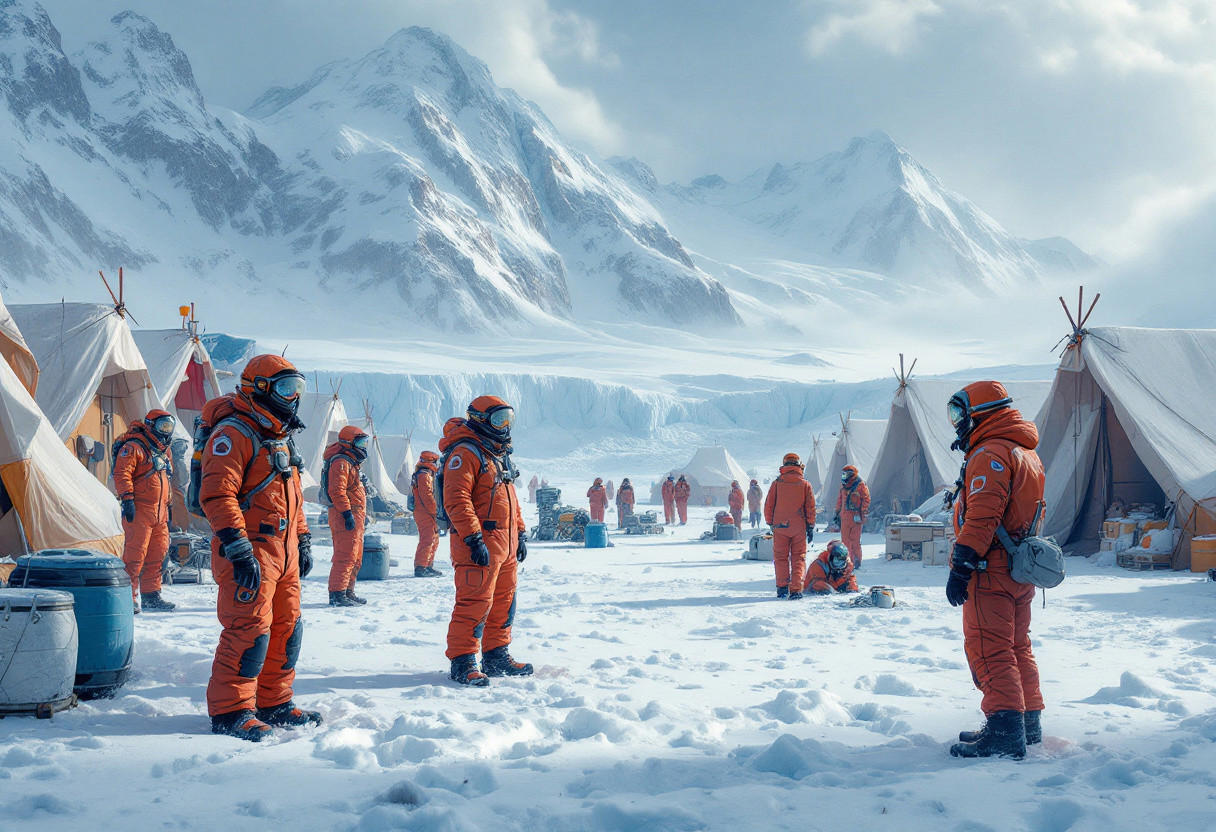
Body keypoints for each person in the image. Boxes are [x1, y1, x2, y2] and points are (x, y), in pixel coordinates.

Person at [199, 354, 319, 741]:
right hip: (250, 551)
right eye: (286, 388)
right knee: (249, 631)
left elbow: (293, 496)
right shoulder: (233, 433)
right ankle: (232, 711)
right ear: (260, 388)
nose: (293, 397)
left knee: (287, 630)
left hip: (281, 553)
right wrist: (237, 545)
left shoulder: (279, 435)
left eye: (297, 388)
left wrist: (301, 539)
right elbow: (217, 493)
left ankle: (275, 702)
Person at [945, 381, 1045, 760]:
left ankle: (1005, 729)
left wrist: (962, 563)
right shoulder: (1025, 452)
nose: (957, 423)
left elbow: (983, 516)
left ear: (980, 413)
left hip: (991, 569)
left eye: (959, 414)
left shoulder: (991, 454)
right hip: (1018, 568)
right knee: (1017, 646)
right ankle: (1027, 722)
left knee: (990, 648)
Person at [442, 396, 531, 686]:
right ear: (480, 420)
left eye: (509, 419)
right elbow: (456, 498)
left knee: (504, 602)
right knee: (473, 603)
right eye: (498, 420)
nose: (505, 426)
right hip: (477, 544)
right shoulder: (466, 453)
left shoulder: (496, 455)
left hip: (504, 544)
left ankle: (496, 655)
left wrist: (520, 532)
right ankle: (463, 661)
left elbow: (511, 499)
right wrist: (472, 537)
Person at [113, 408, 178, 613]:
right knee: (135, 556)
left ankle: (151, 595)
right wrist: (128, 499)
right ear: (150, 426)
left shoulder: (164, 451)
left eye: (169, 426)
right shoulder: (134, 447)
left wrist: (169, 505)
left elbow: (167, 479)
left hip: (160, 512)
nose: (166, 431)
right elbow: (122, 473)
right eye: (162, 426)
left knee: (158, 555)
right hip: (140, 509)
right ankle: (128, 598)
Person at [324, 426, 370, 607]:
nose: (363, 446)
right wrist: (346, 513)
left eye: (364, 442)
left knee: (355, 556)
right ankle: (337, 593)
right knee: (345, 555)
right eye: (359, 442)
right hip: (344, 515)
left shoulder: (351, 462)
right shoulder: (341, 462)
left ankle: (348, 591)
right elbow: (336, 491)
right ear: (348, 442)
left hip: (354, 515)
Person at [764, 453, 816, 599]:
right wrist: (810, 526)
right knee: (799, 558)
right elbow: (810, 508)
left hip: (780, 527)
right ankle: (796, 590)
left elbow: (769, 505)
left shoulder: (776, 483)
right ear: (798, 464)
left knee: (780, 558)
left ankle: (781, 588)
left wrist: (770, 522)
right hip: (799, 527)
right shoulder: (805, 485)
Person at [411, 451, 442, 577]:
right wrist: (436, 511)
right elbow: (427, 496)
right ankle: (421, 567)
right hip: (424, 511)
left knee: (434, 538)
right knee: (427, 539)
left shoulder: (426, 474)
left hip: (426, 511)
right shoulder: (424, 475)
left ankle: (428, 565)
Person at [834, 465, 870, 569]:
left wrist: (862, 513)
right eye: (843, 474)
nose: (844, 476)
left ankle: (857, 561)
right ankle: (848, 561)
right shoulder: (843, 486)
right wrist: (836, 513)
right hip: (845, 517)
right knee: (845, 541)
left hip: (856, 517)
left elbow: (866, 500)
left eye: (846, 474)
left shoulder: (860, 485)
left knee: (855, 541)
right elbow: (840, 500)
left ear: (851, 474)